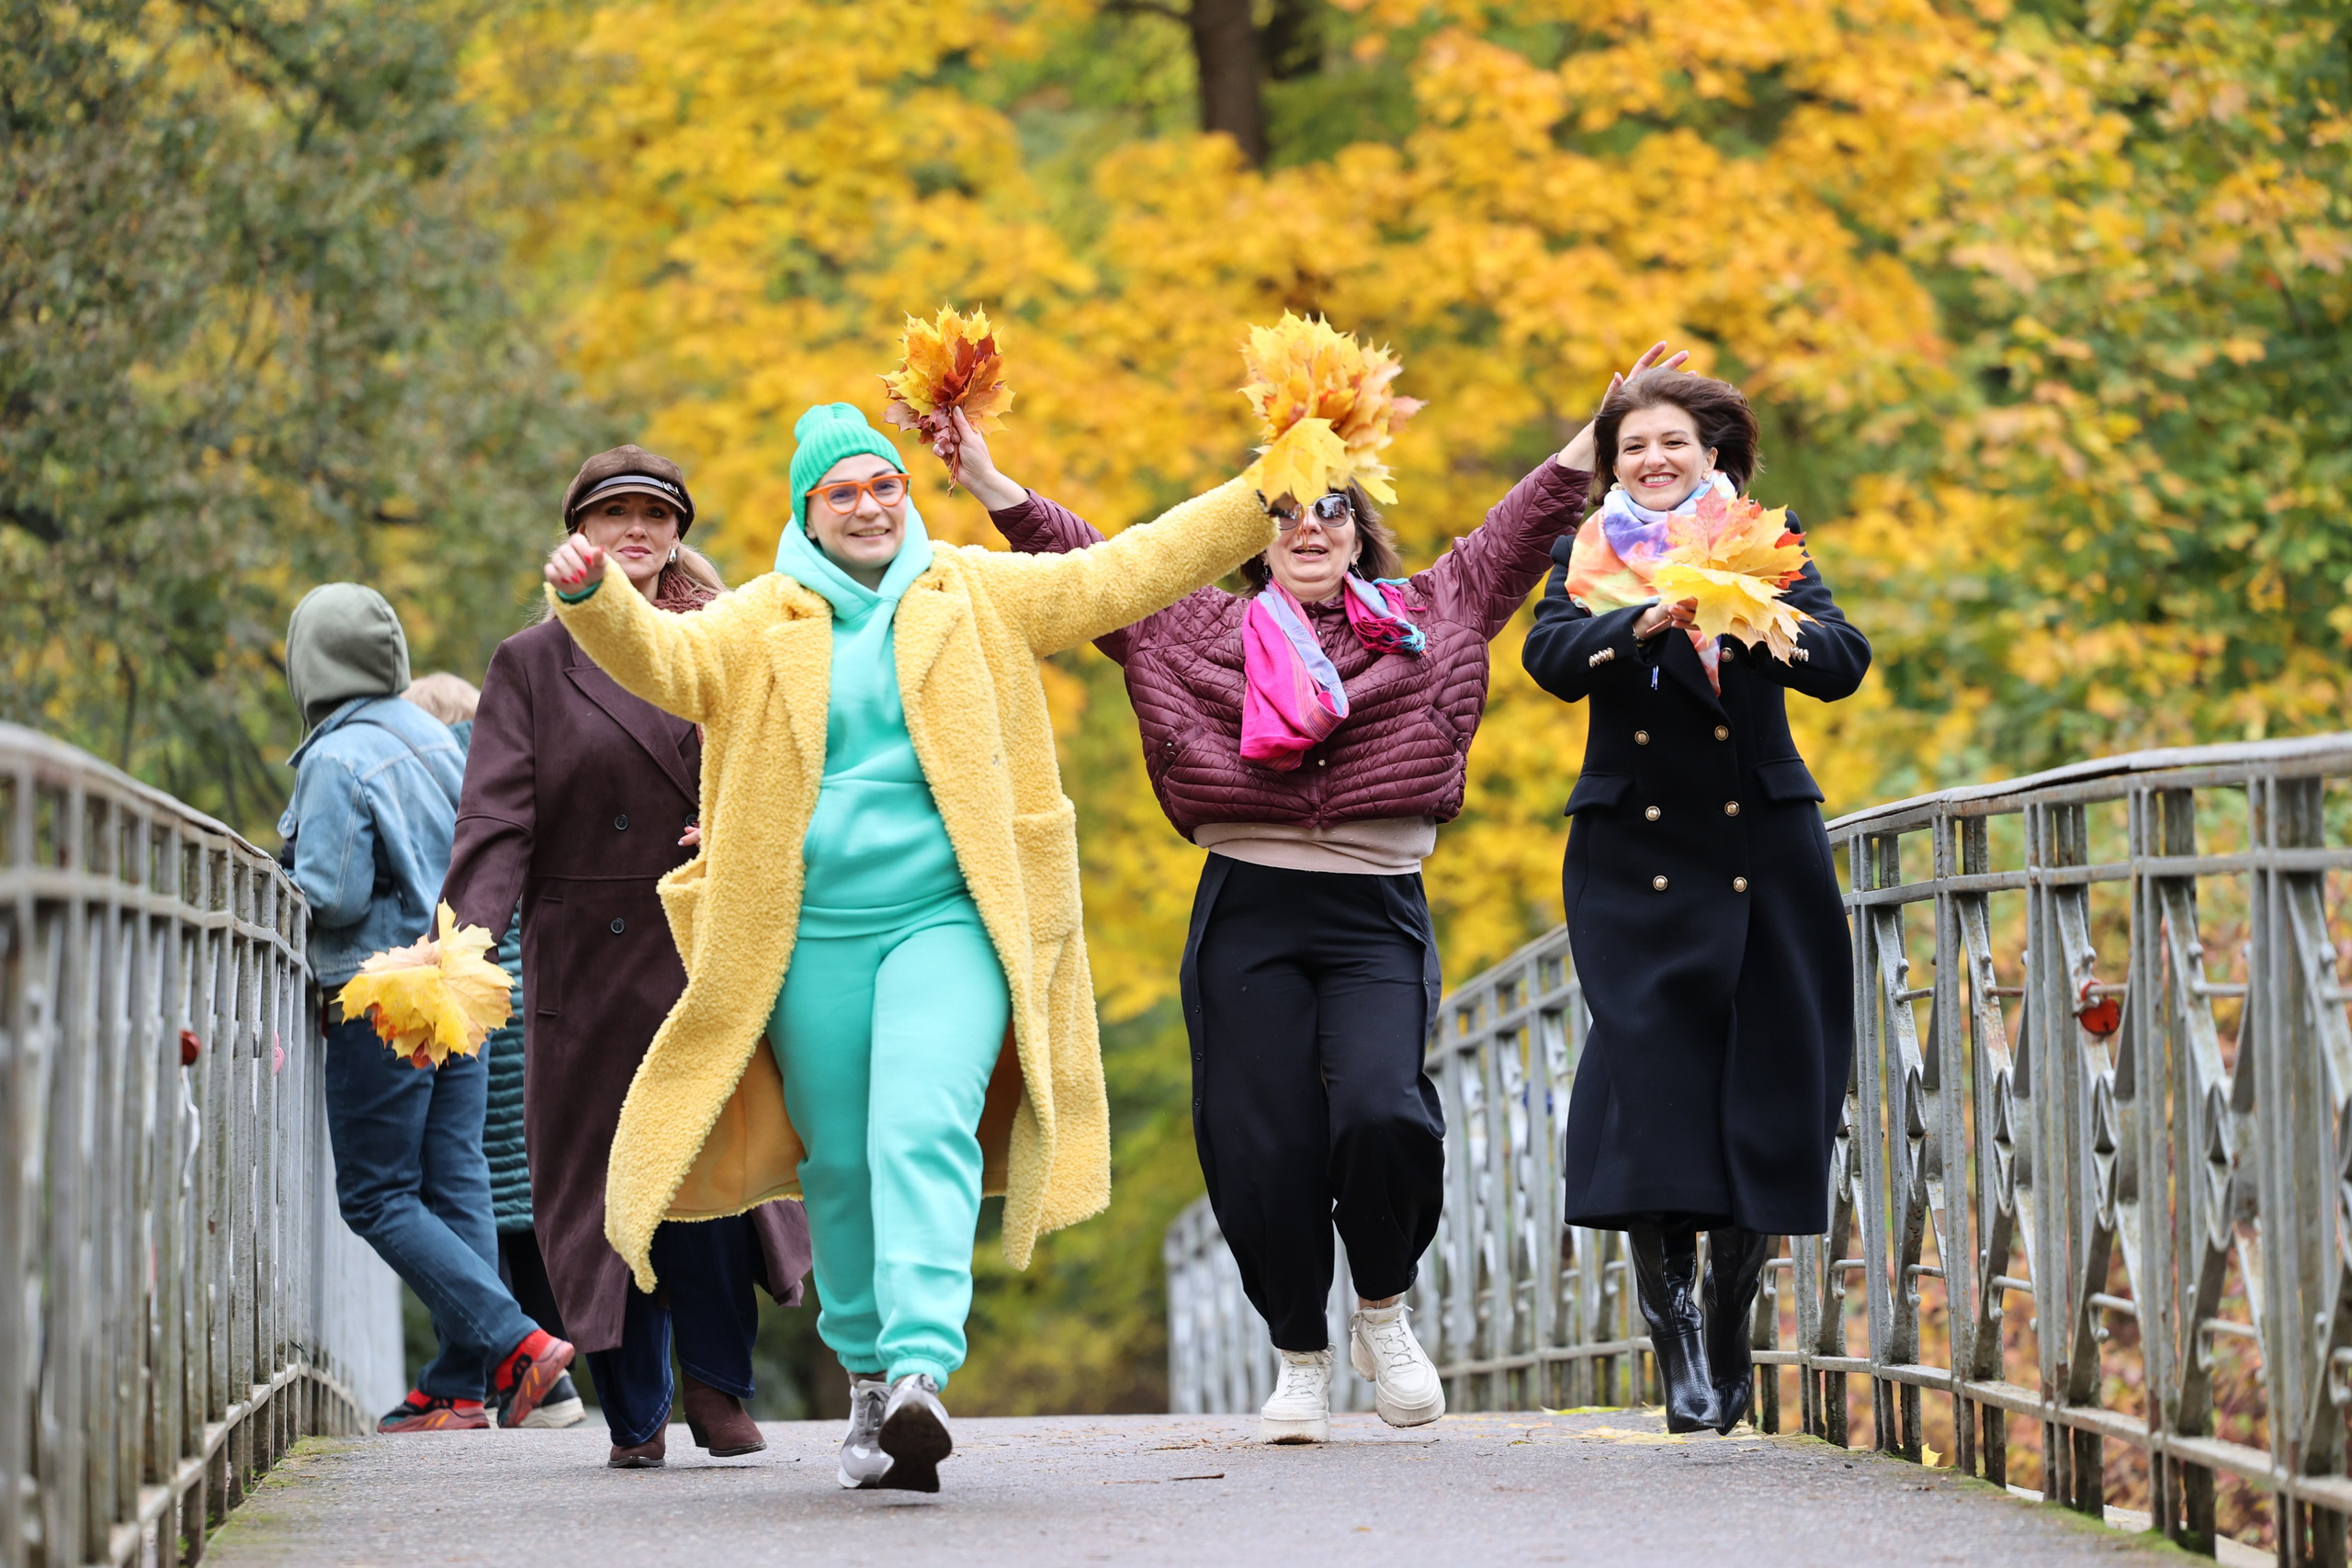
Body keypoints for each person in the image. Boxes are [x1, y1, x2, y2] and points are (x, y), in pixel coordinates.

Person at [541, 402, 1273, 1492]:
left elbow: (1127, 571)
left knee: (920, 1119)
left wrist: (1265, 493)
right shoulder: (759, 618)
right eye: (841, 493)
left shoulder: (975, 591)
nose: (868, 507)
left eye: (884, 486)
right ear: (808, 514)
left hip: (950, 917)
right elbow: (670, 663)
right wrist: (594, 600)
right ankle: (870, 1380)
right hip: (810, 934)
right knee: (838, 1163)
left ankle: (924, 1367)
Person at [960, 345, 1679, 1445]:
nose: (1308, 528)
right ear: (1252, 534)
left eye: (1329, 509)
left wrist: (1600, 431)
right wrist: (987, 481)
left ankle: (1381, 1308)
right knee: (1262, 1144)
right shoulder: (1187, 623)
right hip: (1247, 909)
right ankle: (1299, 1354)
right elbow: (1088, 565)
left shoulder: (1434, 613)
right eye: (1283, 511)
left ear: (1357, 528)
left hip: (1374, 912)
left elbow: (1518, 526)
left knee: (1384, 1113)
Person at [440, 446, 814, 1469]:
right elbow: (495, 819)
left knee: (710, 1173)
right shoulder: (531, 662)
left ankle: (719, 1387)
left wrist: (734, 825)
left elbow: (790, 765)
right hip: (585, 963)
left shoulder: (729, 634)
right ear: (581, 533)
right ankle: (635, 1411)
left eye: (656, 513)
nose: (636, 530)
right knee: (606, 1187)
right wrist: (463, 947)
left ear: (678, 531)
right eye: (614, 515)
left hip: (704, 942)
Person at [1520, 367, 1870, 1434]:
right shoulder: (1585, 556)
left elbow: (1842, 660)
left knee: (1764, 1075)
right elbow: (1549, 658)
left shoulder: (1764, 539)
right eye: (1632, 446)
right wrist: (1641, 623)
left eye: (1672, 441)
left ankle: (1728, 1312)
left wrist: (1755, 618)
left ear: (1711, 454)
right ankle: (1670, 1324)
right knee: (1653, 1075)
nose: (1653, 459)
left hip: (1762, 844)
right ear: (1612, 465)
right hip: (1634, 852)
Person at [277, 586, 575, 1432]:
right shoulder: (434, 736)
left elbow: (333, 894)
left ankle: (518, 1343)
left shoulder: (336, 758)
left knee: (377, 1194)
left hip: (384, 997)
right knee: (457, 1177)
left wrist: (284, 871)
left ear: (308, 664)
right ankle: (458, 1384)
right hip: (456, 980)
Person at [401, 671, 586, 1430]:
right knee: (527, 1211)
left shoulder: (420, 783)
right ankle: (548, 1382)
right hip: (533, 1017)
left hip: (472, 1020)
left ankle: (498, 1374)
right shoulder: (514, 780)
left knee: (464, 1199)